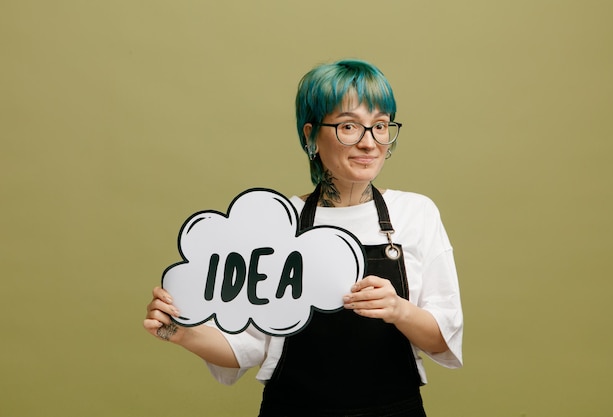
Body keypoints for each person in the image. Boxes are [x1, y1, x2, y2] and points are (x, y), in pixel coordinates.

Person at [144, 59, 463, 417]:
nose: (368, 143)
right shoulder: (278, 222)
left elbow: (442, 339)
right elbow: (247, 347)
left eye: (380, 126)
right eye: (348, 126)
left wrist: (399, 310)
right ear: (311, 135)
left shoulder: (415, 213)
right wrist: (180, 331)